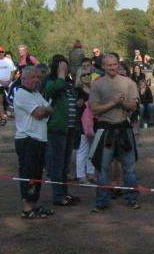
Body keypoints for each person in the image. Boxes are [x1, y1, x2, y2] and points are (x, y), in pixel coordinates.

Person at [88, 53, 140, 212]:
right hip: (105, 129)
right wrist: (113, 102)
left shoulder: (129, 83)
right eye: (109, 65)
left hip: (124, 128)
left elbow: (133, 106)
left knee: (129, 168)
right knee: (102, 168)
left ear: (118, 65)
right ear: (103, 66)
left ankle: (131, 199)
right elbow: (94, 109)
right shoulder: (97, 85)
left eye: (115, 64)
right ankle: (102, 201)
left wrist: (122, 102)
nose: (112, 67)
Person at [13, 66, 54, 219]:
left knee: (37, 174)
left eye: (38, 77)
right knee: (28, 173)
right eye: (33, 77)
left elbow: (50, 109)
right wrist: (44, 110)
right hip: (27, 139)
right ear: (23, 79)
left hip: (39, 138)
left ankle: (34, 204)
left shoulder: (35, 93)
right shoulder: (22, 94)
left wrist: (45, 110)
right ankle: (27, 208)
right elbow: (39, 112)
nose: (37, 80)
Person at [43, 55, 80, 207]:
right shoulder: (51, 82)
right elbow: (51, 90)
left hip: (70, 128)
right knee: (57, 164)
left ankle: (64, 192)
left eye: (66, 67)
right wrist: (60, 75)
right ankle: (58, 195)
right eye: (61, 66)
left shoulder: (68, 84)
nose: (65, 69)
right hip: (57, 128)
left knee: (65, 164)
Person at [74, 67, 96, 185]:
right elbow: (77, 106)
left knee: (93, 148)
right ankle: (81, 175)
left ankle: (91, 172)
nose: (87, 76)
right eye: (84, 75)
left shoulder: (94, 89)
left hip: (95, 122)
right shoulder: (78, 91)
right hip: (83, 123)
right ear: (79, 77)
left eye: (88, 74)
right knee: (82, 149)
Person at [0, 46, 16, 125]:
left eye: (2, 52)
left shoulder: (9, 61)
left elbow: (12, 71)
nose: (0, 53)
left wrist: (9, 81)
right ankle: (3, 117)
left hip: (9, 84)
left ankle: (15, 115)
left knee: (13, 100)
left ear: (4, 52)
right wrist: (1, 82)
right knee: (0, 100)